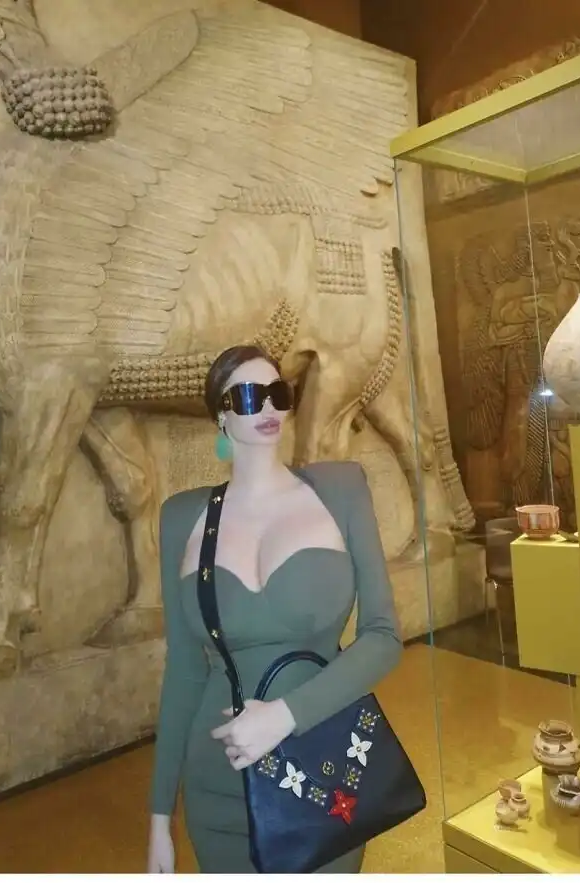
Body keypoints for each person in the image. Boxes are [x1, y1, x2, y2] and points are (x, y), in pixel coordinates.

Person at [147, 344, 402, 873]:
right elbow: (185, 673)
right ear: (220, 414)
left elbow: (382, 636)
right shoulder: (183, 519)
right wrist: (158, 818)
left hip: (322, 769)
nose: (267, 406)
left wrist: (285, 715)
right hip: (218, 782)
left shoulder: (340, 490)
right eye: (248, 395)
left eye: (277, 393)